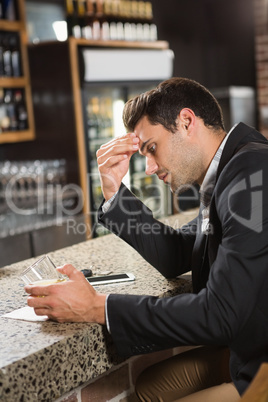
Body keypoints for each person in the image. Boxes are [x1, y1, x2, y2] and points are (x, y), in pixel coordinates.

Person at [25, 78, 268, 401]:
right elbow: (180, 255)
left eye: (152, 148)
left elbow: (221, 313)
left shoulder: (251, 173)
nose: (150, 167)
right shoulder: (230, 169)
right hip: (248, 349)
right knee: (150, 387)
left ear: (186, 122)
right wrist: (113, 191)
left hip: (260, 365)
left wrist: (97, 307)